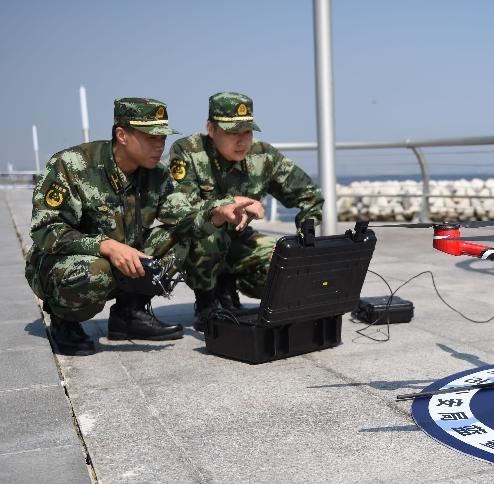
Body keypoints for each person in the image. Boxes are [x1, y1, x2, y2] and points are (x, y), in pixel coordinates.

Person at [25, 98, 258, 356]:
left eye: (163, 138)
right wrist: (105, 245)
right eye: (151, 137)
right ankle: (65, 321)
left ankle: (130, 314)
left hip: (121, 256)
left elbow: (184, 217)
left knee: (178, 238)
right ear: (122, 135)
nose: (160, 145)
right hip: (60, 264)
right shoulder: (72, 165)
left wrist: (218, 212)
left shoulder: (156, 176)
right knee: (96, 270)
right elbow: (44, 228)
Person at [168, 92, 323, 330]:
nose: (241, 141)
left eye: (247, 132)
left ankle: (228, 290)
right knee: (211, 234)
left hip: (238, 241)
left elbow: (311, 196)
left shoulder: (263, 156)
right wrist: (229, 204)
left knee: (286, 264)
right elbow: (182, 211)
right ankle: (207, 303)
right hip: (198, 244)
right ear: (211, 129)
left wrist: (300, 243)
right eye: (231, 133)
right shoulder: (187, 151)